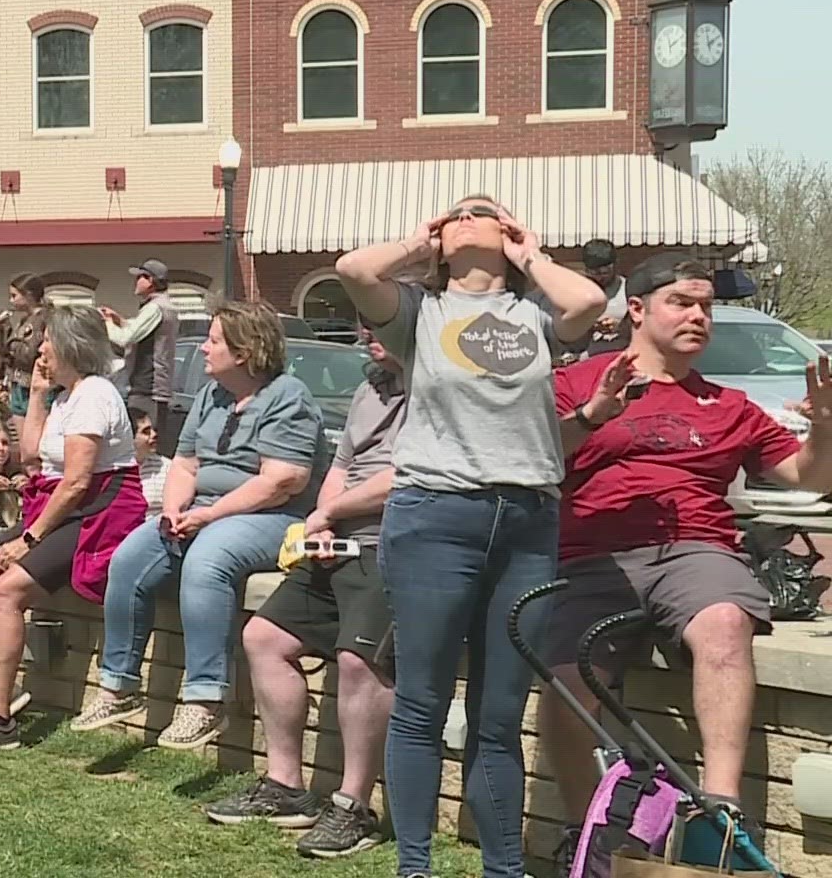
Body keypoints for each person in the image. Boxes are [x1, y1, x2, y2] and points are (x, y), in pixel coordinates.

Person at [335, 193, 606, 878]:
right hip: (435, 517)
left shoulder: (534, 314)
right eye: (454, 213)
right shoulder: (419, 314)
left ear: (508, 230)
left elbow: (589, 305)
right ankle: (415, 867)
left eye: (481, 211)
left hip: (527, 524)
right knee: (422, 701)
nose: (465, 217)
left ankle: (503, 870)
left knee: (500, 715)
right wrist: (415, 243)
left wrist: (529, 255)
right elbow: (353, 270)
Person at [542, 256, 832, 865]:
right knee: (569, 679)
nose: (699, 316)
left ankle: (719, 816)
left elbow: (808, 477)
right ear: (638, 311)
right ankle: (583, 831)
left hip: (698, 550)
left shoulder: (730, 405)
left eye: (706, 307)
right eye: (682, 302)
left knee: (726, 621)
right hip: (595, 555)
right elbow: (535, 459)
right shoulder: (578, 382)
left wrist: (826, 431)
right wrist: (596, 414)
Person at [73, 301, 325, 751]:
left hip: (272, 517)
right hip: (203, 510)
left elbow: (282, 481)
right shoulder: (212, 395)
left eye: (213, 341)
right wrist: (172, 511)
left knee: (209, 558)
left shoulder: (288, 397)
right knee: (131, 556)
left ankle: (206, 698)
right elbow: (185, 464)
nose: (203, 349)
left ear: (245, 351)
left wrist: (209, 515)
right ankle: (118, 685)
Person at [207, 327, 405, 859]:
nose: (368, 332)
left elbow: (403, 476)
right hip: (336, 540)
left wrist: (329, 513)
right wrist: (321, 522)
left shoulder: (435, 392)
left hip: (395, 546)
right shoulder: (371, 389)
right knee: (264, 636)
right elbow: (341, 466)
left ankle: (353, 807)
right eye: (365, 320)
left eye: (381, 322)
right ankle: (286, 787)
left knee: (360, 660)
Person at [0, 304, 148, 751]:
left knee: (6, 589)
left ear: (72, 345)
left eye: (48, 341)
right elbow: (33, 456)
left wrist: (29, 541)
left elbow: (76, 483)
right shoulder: (65, 396)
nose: (40, 350)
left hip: (97, 514)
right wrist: (36, 394)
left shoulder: (95, 394)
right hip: (63, 508)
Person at [101, 259, 181, 456]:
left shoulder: (156, 308)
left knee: (144, 445)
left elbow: (125, 339)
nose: (135, 282)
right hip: (150, 387)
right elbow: (140, 330)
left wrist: (106, 324)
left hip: (148, 387)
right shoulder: (161, 307)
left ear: (151, 280)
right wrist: (119, 320)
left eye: (140, 277)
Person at [0, 273, 48, 435]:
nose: (11, 300)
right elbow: (6, 357)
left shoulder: (44, 319)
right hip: (18, 385)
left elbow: (29, 356)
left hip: (35, 386)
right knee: (23, 441)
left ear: (29, 295)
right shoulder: (24, 321)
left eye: (14, 296)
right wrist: (2, 330)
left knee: (34, 438)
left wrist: (13, 343)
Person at [130, 408, 169, 519]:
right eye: (146, 432)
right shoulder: (114, 468)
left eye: (153, 429)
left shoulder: (167, 468)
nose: (154, 434)